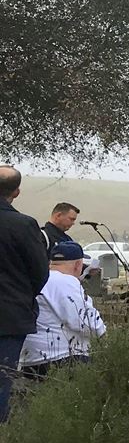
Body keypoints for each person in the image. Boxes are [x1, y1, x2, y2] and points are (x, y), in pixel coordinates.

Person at [0, 166, 49, 423]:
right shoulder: (24, 225)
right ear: (16, 192)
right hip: (10, 314)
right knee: (2, 377)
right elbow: (40, 272)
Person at [19, 240, 107, 375]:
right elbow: (85, 322)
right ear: (78, 265)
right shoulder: (66, 281)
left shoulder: (38, 278)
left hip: (29, 358)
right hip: (61, 357)